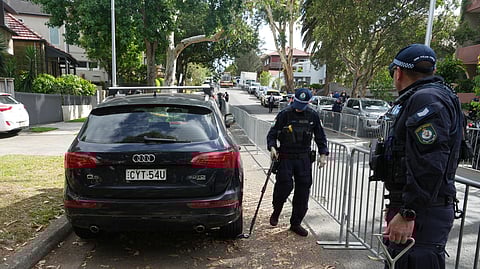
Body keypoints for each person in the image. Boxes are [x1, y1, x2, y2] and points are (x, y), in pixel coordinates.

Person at [371, 44, 463, 268]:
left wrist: (408, 213)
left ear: (398, 73)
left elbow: (429, 164)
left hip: (423, 213)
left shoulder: (426, 100)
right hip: (421, 208)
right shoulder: (433, 96)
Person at [266, 88, 329, 236]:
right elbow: (272, 134)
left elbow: (320, 136)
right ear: (293, 100)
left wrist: (323, 154)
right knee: (284, 186)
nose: (299, 108)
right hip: (286, 156)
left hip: (303, 158)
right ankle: (277, 209)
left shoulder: (312, 115)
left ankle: (296, 223)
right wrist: (272, 147)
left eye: (303, 105)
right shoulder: (284, 115)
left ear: (308, 103)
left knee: (303, 191)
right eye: (298, 104)